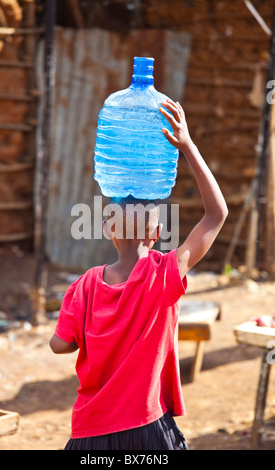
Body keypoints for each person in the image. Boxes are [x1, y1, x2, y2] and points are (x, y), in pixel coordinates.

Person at [49, 99, 228, 450]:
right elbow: (216, 215)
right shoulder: (164, 275)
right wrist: (187, 145)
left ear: (106, 228)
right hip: (147, 429)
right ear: (157, 231)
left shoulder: (84, 285)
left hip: (89, 434)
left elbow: (60, 345)